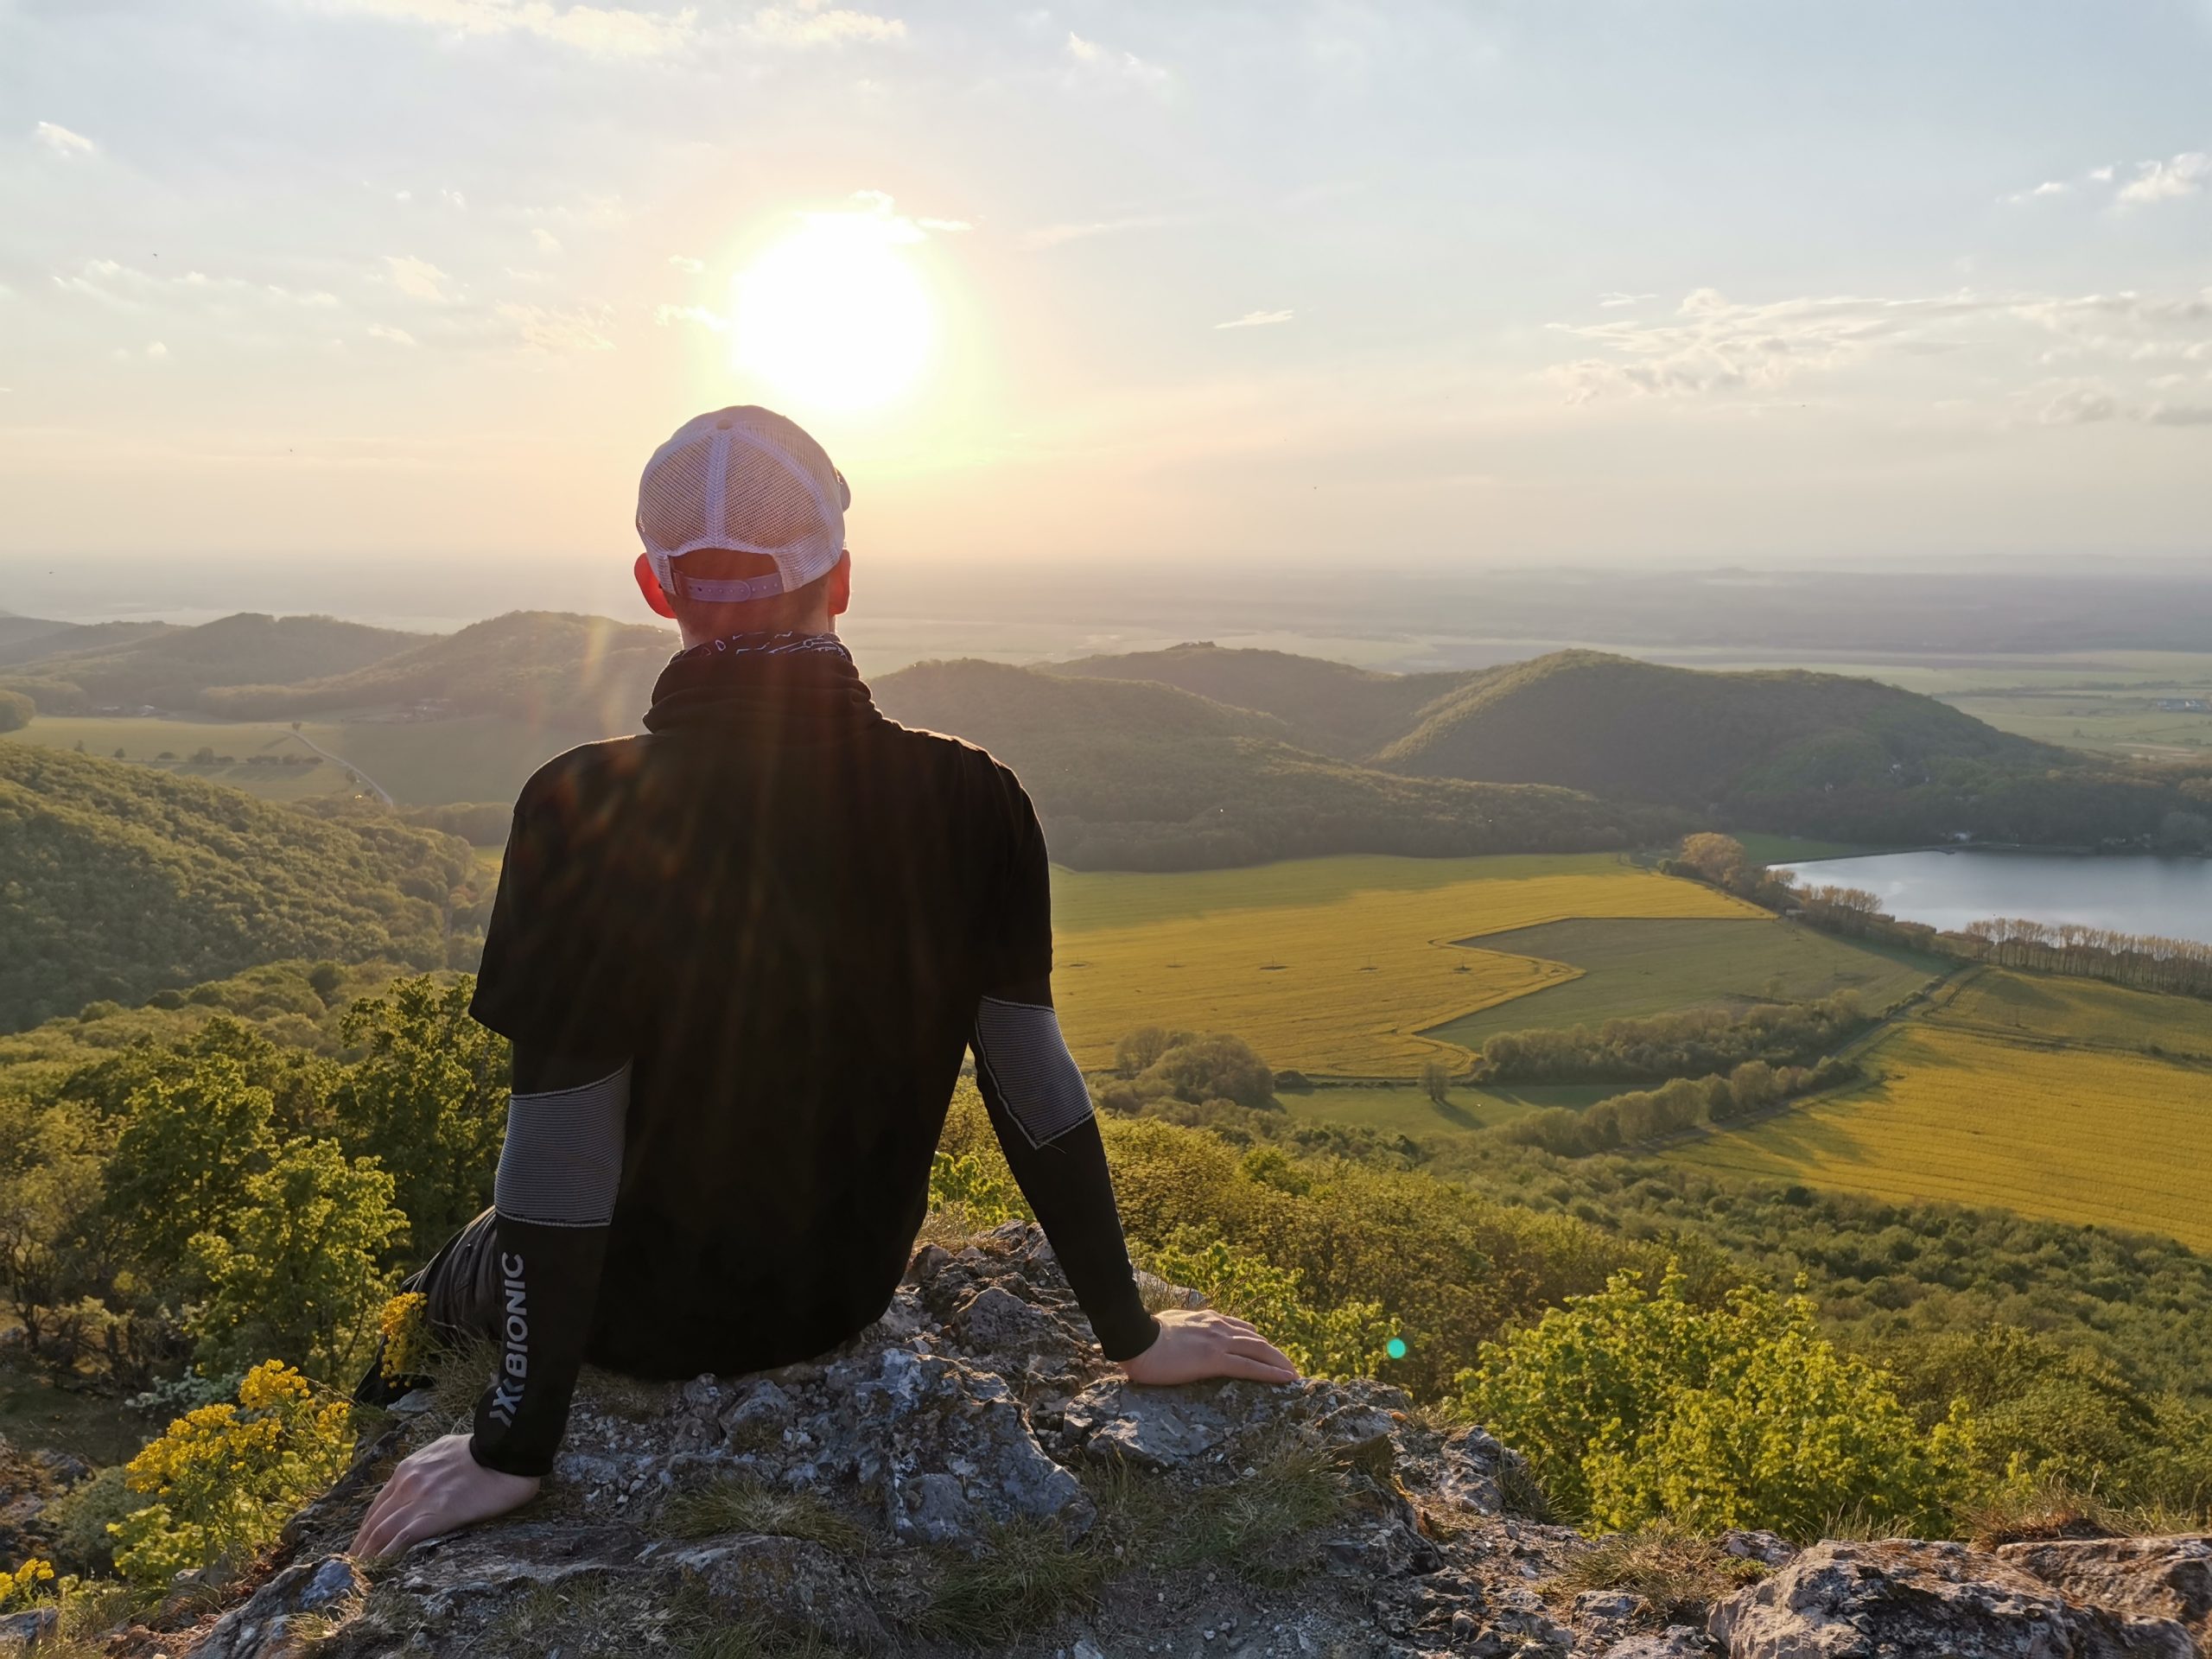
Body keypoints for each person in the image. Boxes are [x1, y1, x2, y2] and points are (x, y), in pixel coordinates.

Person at [350, 407, 1298, 1560]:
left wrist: (514, 1440)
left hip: (633, 1317)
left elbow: (562, 1136)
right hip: (835, 1295)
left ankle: (369, 1433)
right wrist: (1130, 1332)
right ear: (840, 582)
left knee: (429, 1297)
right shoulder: (974, 800)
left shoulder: (579, 805)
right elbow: (1030, 1082)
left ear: (656, 592)